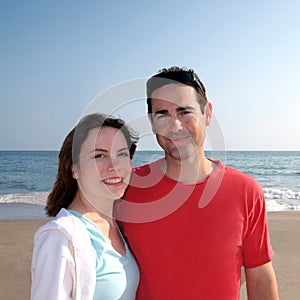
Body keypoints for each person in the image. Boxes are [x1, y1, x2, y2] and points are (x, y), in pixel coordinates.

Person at [115, 67, 279, 299]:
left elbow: (260, 278)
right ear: (152, 123)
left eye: (185, 112)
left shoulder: (246, 191)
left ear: (207, 114)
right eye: (163, 114)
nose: (175, 126)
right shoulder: (128, 187)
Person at [31, 113, 140, 300]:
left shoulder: (117, 225)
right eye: (99, 155)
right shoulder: (60, 238)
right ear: (74, 168)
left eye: (121, 153)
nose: (114, 166)